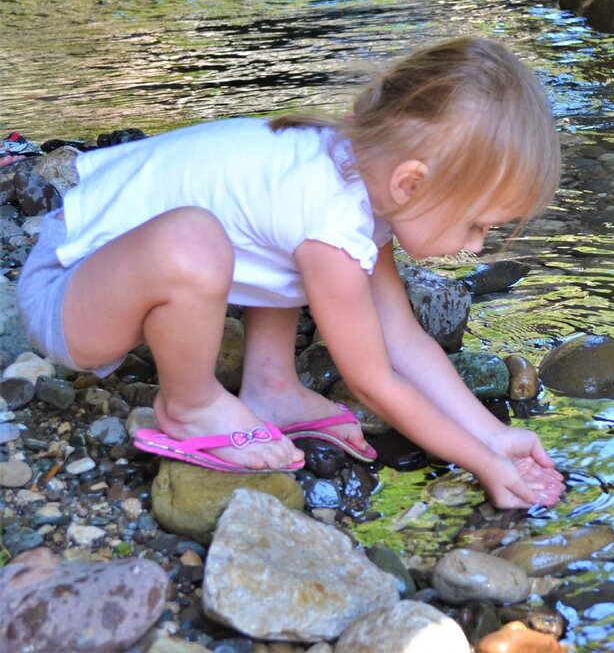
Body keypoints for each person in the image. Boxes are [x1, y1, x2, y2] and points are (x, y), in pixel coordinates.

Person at [16, 37, 565, 509]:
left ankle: (271, 385)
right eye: (477, 225)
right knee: (197, 241)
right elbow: (375, 381)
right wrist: (482, 465)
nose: (475, 247)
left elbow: (404, 340)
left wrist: (496, 436)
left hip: (105, 274)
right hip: (66, 294)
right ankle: (190, 407)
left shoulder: (354, 176)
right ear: (410, 184)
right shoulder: (332, 225)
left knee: (264, 242)